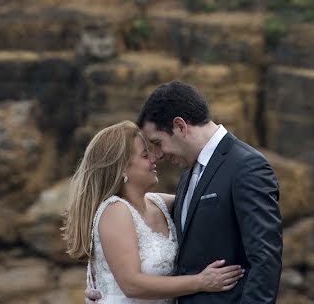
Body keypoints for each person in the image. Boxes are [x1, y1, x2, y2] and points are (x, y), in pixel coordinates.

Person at [86, 81, 282, 303]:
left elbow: (265, 260)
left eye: (158, 143)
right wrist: (106, 285)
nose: (157, 155)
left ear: (180, 126)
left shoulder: (246, 167)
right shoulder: (188, 177)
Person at [63, 120, 245, 303]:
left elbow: (205, 200)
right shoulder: (115, 211)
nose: (154, 158)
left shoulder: (161, 204)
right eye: (145, 155)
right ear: (122, 168)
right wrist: (202, 281)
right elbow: (131, 284)